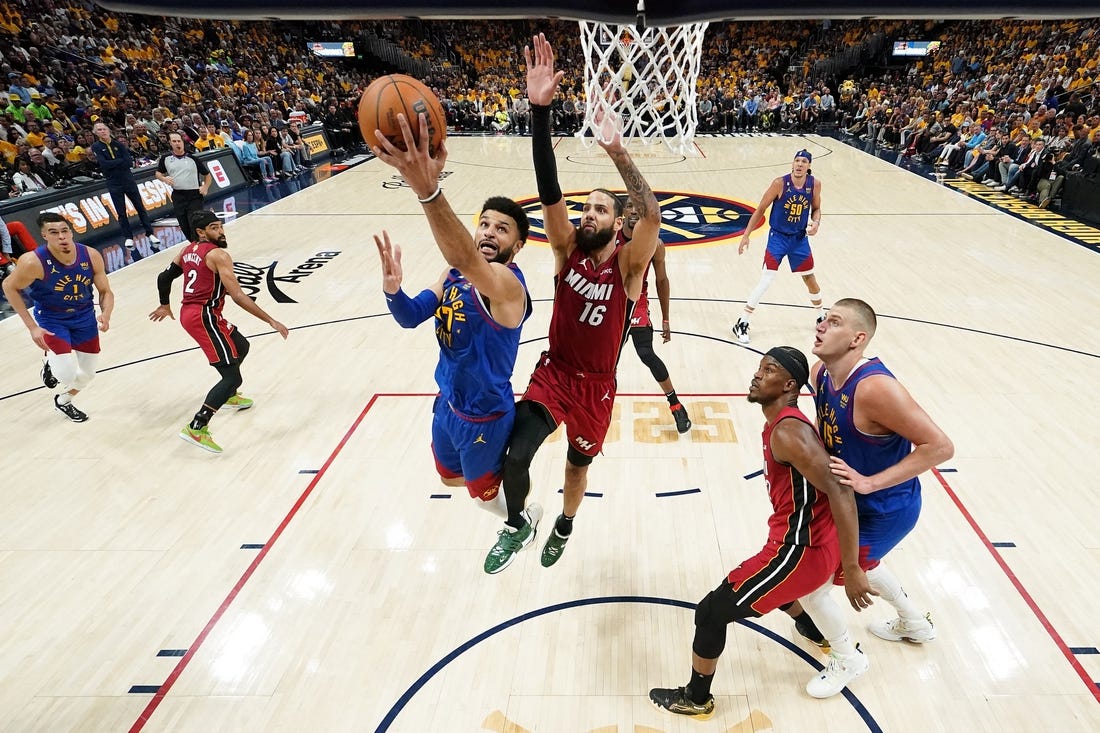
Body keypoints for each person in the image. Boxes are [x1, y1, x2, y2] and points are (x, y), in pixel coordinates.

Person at [482, 33, 661, 575]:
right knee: (515, 454)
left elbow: (651, 213)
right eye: (587, 207)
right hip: (555, 374)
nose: (588, 213)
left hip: (597, 386)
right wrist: (540, 113)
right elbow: (548, 186)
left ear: (618, 223)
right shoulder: (566, 252)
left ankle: (564, 522)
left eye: (600, 209)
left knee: (576, 467)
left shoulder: (628, 268)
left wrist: (617, 151)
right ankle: (518, 524)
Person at [649, 346, 873, 718]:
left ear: (788, 385)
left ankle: (697, 698)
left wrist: (851, 568)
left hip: (801, 549)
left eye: (768, 370)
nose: (757, 374)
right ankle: (814, 631)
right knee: (775, 590)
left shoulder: (788, 431)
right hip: (804, 542)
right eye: (759, 367)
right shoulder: (783, 423)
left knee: (709, 613)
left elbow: (841, 492)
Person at [783, 297, 954, 696]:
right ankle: (914, 622)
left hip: (885, 507)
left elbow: (941, 447)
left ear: (857, 339)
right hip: (851, 504)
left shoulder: (876, 388)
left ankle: (847, 658)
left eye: (834, 321)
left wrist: (869, 482)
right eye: (823, 318)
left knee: (811, 584)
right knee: (864, 562)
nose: (822, 325)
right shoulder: (822, 371)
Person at [370, 111, 535, 523]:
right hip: (447, 403)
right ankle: (505, 479)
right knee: (448, 478)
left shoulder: (508, 286)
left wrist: (427, 189)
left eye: (502, 229)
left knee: (482, 497)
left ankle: (520, 519)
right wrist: (393, 291)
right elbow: (411, 317)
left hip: (486, 415)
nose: (488, 233)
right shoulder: (453, 274)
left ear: (518, 246)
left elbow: (461, 252)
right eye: (484, 225)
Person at [148, 210, 288, 453]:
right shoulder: (219, 255)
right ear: (201, 232)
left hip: (199, 313)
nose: (221, 231)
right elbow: (238, 296)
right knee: (232, 376)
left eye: (221, 226)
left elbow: (164, 277)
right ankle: (197, 426)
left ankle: (229, 395)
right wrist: (270, 320)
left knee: (241, 346)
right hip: (202, 316)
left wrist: (164, 303)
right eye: (214, 227)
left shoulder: (187, 250)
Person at [1, 212, 114, 422]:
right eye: (54, 233)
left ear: (70, 232)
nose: (61, 237)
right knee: (66, 375)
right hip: (52, 319)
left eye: (64, 231)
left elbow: (105, 291)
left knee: (88, 374)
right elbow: (8, 286)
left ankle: (63, 401)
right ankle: (50, 364)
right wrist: (32, 327)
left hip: (84, 317)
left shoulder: (90, 255)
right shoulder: (32, 261)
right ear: (44, 235)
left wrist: (106, 314)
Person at [733, 149, 824, 345]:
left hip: (799, 238)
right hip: (778, 238)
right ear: (792, 163)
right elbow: (760, 209)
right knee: (767, 279)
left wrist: (816, 223)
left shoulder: (814, 184)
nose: (799, 164)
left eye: (803, 162)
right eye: (797, 161)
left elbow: (816, 209)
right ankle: (742, 322)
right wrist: (746, 235)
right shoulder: (780, 183)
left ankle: (821, 316)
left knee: (809, 278)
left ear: (809, 165)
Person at [619, 198, 691, 434]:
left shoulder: (655, 244)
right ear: (622, 212)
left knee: (646, 353)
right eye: (628, 205)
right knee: (606, 356)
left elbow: (662, 280)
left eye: (638, 207)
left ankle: (676, 404)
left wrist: (666, 319)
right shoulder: (610, 237)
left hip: (637, 299)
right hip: (611, 299)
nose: (633, 210)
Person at [90, 121, 160, 250]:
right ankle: (128, 237)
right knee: (121, 212)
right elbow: (104, 164)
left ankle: (150, 233)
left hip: (128, 180)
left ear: (109, 130)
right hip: (113, 183)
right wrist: (118, 162)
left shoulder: (118, 144)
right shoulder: (96, 147)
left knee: (140, 207)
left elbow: (128, 162)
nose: (102, 131)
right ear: (95, 133)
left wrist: (114, 163)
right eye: (99, 130)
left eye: (104, 129)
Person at [155, 131, 212, 244]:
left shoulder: (192, 158)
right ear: (170, 143)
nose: (177, 143)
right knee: (184, 225)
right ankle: (194, 245)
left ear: (183, 142)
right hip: (178, 195)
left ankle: (202, 246)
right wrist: (164, 179)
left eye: (179, 141)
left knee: (195, 223)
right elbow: (158, 173)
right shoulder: (166, 158)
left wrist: (205, 187)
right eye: (174, 141)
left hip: (194, 196)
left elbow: (207, 175)